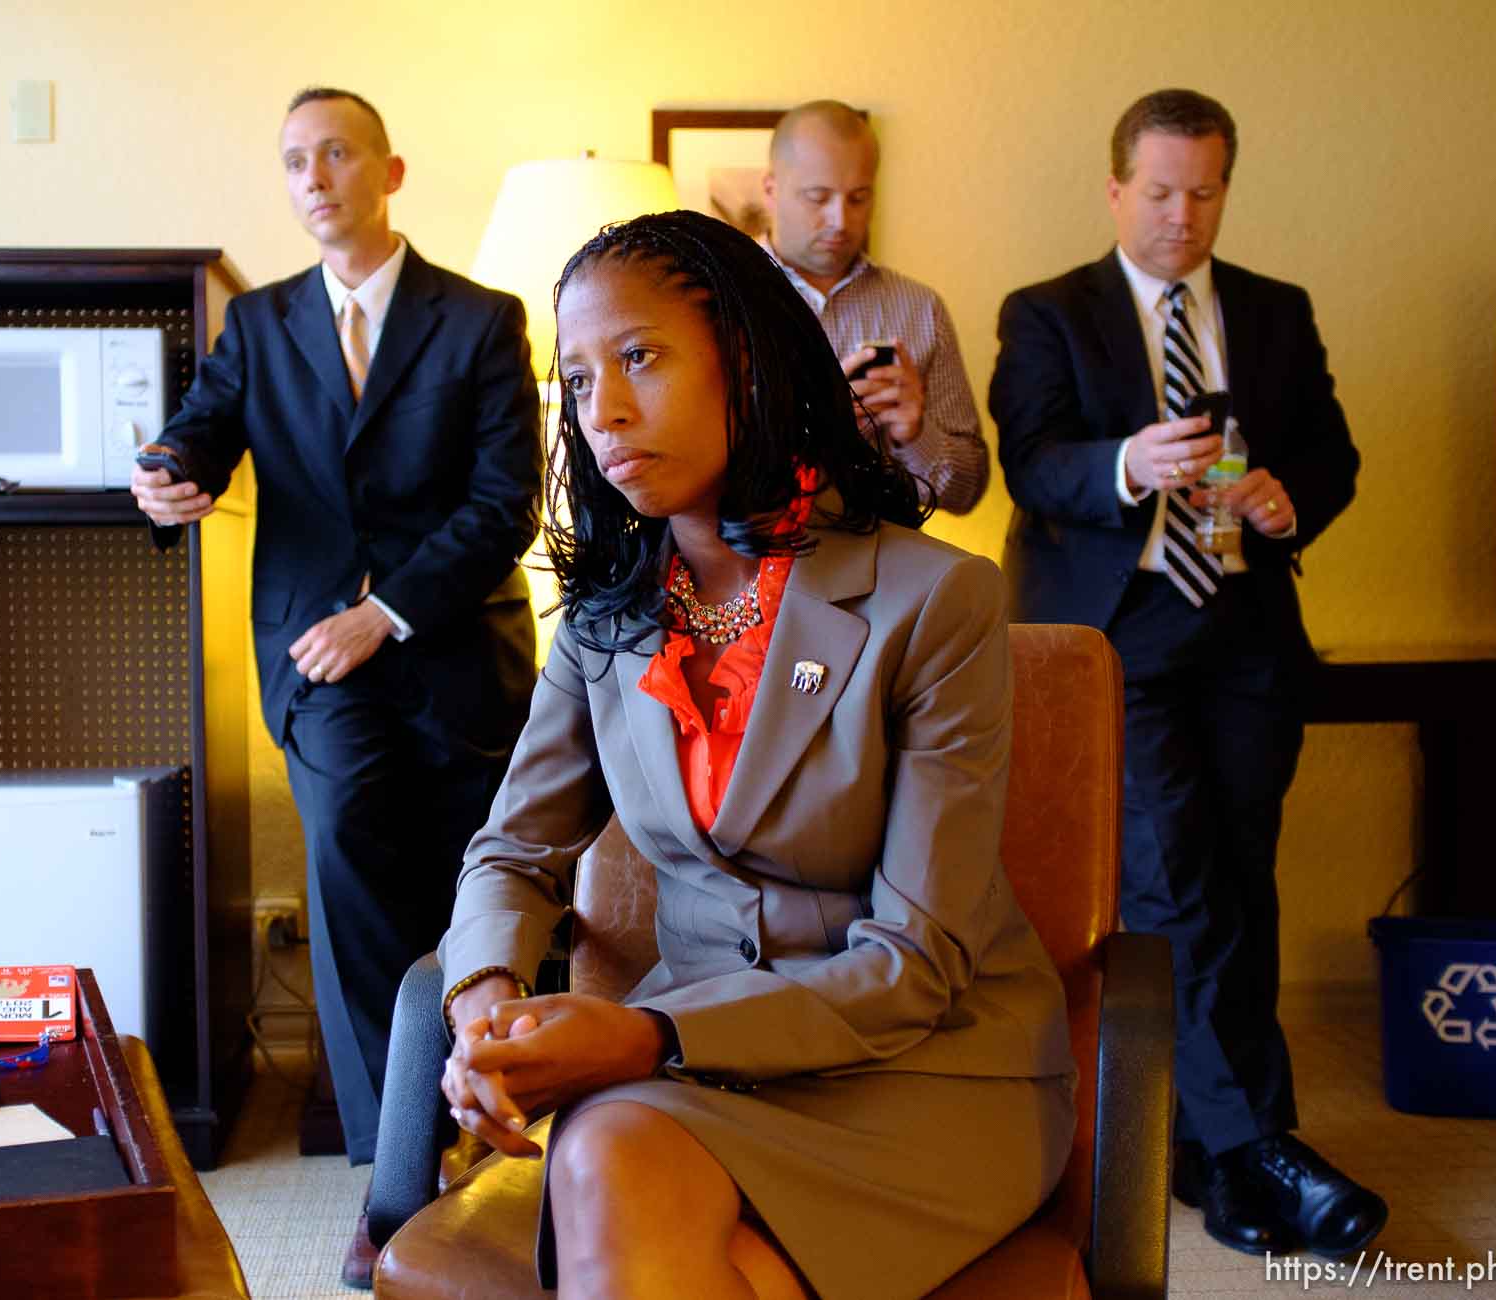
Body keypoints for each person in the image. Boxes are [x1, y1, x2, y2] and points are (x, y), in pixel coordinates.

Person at [436, 210, 1075, 1300]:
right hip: (703, 1064)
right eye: (581, 381)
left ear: (747, 360)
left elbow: (914, 964)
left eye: (639, 356)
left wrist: (640, 1034)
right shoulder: (600, 624)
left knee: (640, 1192)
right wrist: (485, 1003)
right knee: (624, 1174)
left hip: (919, 1067)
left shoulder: (934, 600)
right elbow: (512, 851)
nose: (607, 411)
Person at [129, 86, 541, 1286]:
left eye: (337, 154)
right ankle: (395, 1174)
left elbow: (501, 504)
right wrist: (167, 477)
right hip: (319, 666)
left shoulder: (479, 321)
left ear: (390, 170)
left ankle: (490, 1136)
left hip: (456, 650)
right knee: (353, 864)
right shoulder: (257, 325)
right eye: (295, 161)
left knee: (477, 901)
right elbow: (201, 430)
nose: (314, 178)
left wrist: (389, 611)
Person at [989, 88, 1383, 1259]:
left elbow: (1332, 450)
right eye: (1158, 191)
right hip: (1122, 634)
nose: (1181, 214)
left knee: (1242, 883)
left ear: (1225, 187)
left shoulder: (1273, 309)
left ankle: (1212, 1160)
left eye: (1203, 191)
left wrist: (1285, 497)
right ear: (1116, 189)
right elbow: (1032, 465)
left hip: (1248, 632)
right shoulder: (1048, 312)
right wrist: (1126, 461)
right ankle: (1266, 1145)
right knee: (1175, 888)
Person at [760, 99, 989, 514]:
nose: (840, 221)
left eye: (859, 198)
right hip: (748, 565)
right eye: (818, 197)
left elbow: (968, 491)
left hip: (886, 568)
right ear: (771, 189)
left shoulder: (920, 309)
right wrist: (816, 429)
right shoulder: (712, 303)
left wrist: (916, 434)